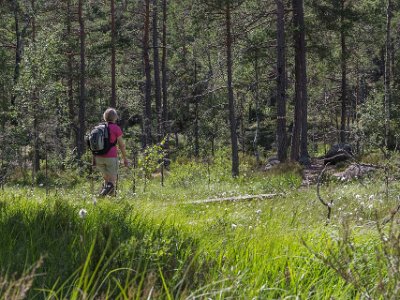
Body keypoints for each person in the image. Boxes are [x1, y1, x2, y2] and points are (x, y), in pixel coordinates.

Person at [95, 108, 129, 196]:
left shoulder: (99, 128)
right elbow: (121, 145)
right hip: (111, 158)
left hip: (98, 158)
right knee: (112, 182)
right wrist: (125, 158)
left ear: (105, 117)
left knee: (107, 181)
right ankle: (101, 196)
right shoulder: (116, 128)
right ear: (115, 117)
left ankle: (110, 202)